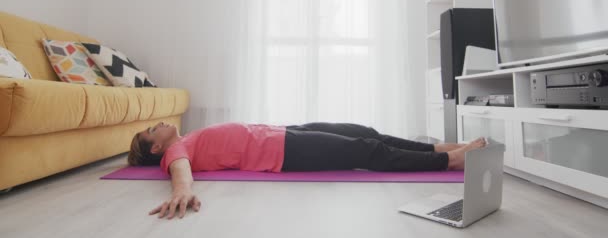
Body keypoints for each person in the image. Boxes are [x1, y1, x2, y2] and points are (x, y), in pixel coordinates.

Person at [127, 121, 487, 220]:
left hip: (284, 131)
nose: (158, 123)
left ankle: (440, 148)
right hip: (283, 151)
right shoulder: (175, 150)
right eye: (151, 130)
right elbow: (180, 170)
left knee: (364, 132)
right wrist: (181, 191)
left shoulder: (185, 137)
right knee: (365, 151)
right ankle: (450, 161)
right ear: (155, 147)